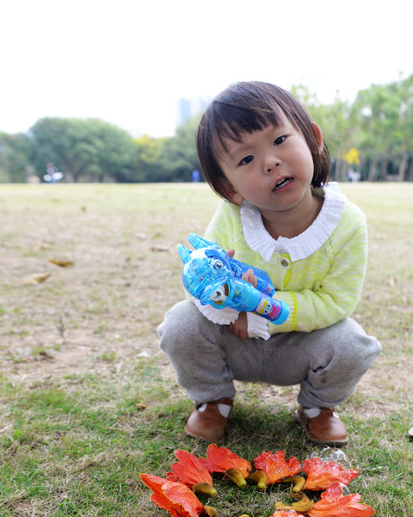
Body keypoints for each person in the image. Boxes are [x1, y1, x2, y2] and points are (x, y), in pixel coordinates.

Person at [158, 81, 381, 446]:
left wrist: (265, 311)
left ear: (313, 139)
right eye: (246, 159)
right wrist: (226, 299)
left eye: (279, 140)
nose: (270, 161)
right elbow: (199, 279)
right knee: (180, 323)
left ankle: (317, 407)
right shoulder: (232, 216)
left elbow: (336, 301)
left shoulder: (347, 222)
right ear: (229, 188)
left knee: (353, 344)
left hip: (303, 346)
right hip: (235, 339)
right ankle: (214, 398)